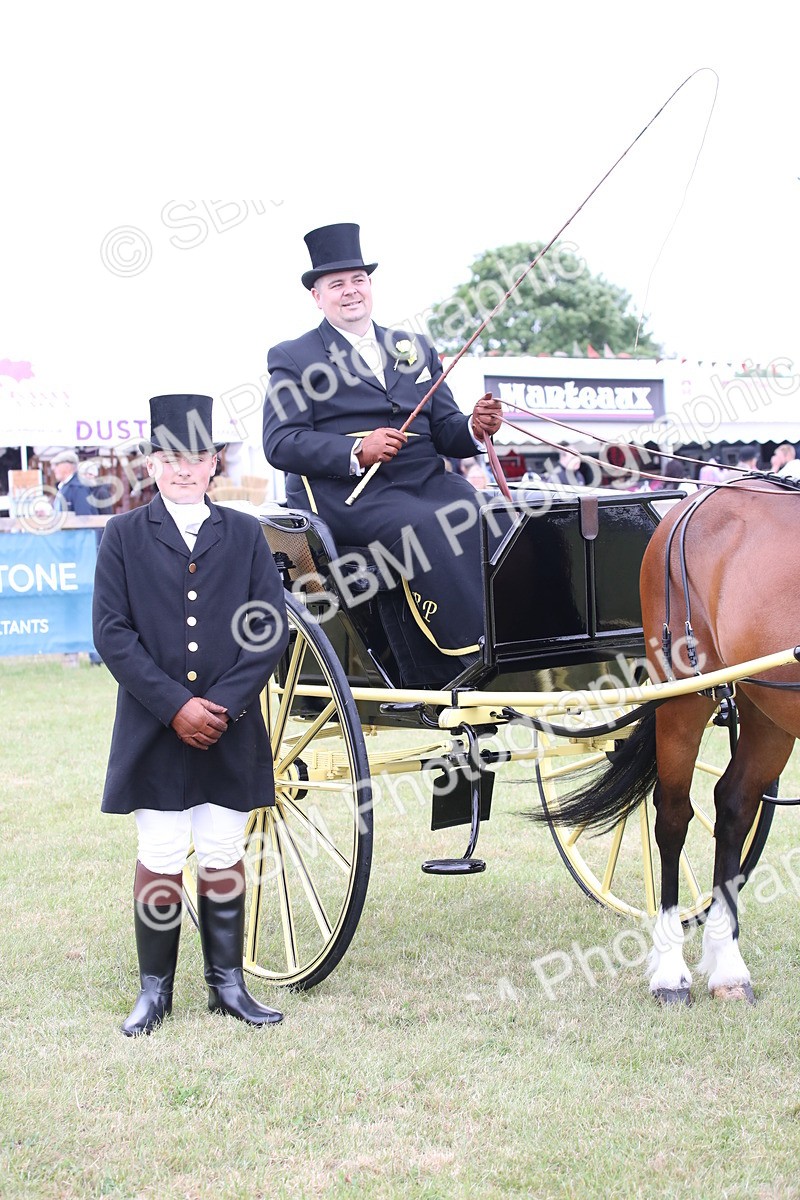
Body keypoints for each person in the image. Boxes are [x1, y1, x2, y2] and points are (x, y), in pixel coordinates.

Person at [93, 394, 289, 1036]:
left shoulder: (244, 532)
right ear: (153, 464)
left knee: (223, 848)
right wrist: (175, 705)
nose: (183, 469)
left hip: (228, 725)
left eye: (196, 458)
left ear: (214, 464)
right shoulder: (122, 535)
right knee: (162, 848)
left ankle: (228, 987)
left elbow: (268, 627)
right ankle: (155, 992)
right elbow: (112, 633)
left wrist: (224, 705)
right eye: (171, 457)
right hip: (155, 724)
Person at [262, 222, 503, 685]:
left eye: (358, 280)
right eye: (337, 285)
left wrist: (474, 427)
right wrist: (357, 449)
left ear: (370, 285)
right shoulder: (293, 357)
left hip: (427, 481)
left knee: (495, 512)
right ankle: (459, 658)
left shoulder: (413, 347)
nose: (350, 292)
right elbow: (280, 442)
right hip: (351, 495)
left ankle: (509, 641)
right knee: (429, 525)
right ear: (317, 296)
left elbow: (448, 430)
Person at [51, 450, 99, 514]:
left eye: (57, 465)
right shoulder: (66, 486)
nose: (53, 468)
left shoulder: (79, 487)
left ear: (67, 466)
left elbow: (84, 518)